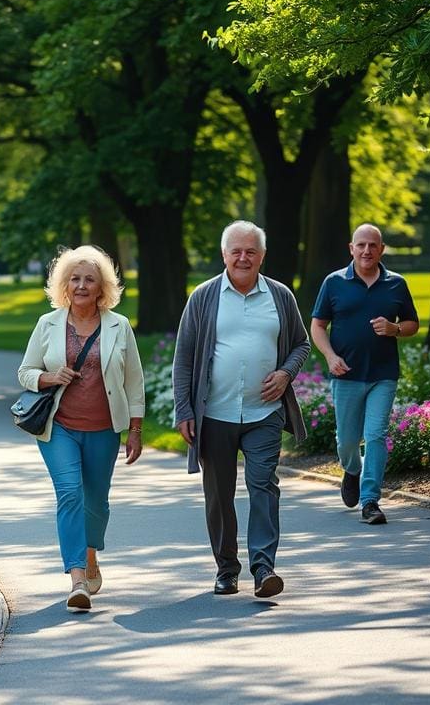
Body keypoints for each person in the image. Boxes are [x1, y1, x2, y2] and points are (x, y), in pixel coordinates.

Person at [172, 221, 309, 598]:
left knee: (263, 486)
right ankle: (226, 569)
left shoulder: (280, 296)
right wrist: (183, 409)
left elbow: (301, 343)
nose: (243, 257)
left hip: (264, 414)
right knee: (219, 493)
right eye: (237, 251)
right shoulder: (203, 296)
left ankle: (264, 569)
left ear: (262, 256)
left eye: (251, 251)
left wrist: (285, 373)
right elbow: (184, 357)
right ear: (224, 255)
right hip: (214, 413)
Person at [18, 245, 145, 613]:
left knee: (96, 503)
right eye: (74, 278)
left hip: (105, 429)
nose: (81, 285)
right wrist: (49, 377)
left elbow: (134, 381)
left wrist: (135, 429)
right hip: (59, 429)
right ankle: (77, 581)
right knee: (70, 494)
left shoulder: (119, 326)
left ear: (102, 286)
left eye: (89, 279)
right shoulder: (48, 324)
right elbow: (24, 372)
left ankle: (90, 556)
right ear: (64, 284)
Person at [310, 223, 419, 524]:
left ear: (382, 249)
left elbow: (412, 324)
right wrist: (330, 356)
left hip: (383, 374)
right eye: (361, 245)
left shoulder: (396, 284)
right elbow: (318, 326)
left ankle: (370, 501)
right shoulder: (334, 283)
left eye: (373, 245)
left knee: (376, 435)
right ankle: (352, 469)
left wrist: (395, 329)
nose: (367, 250)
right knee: (347, 441)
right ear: (351, 248)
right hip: (346, 374)